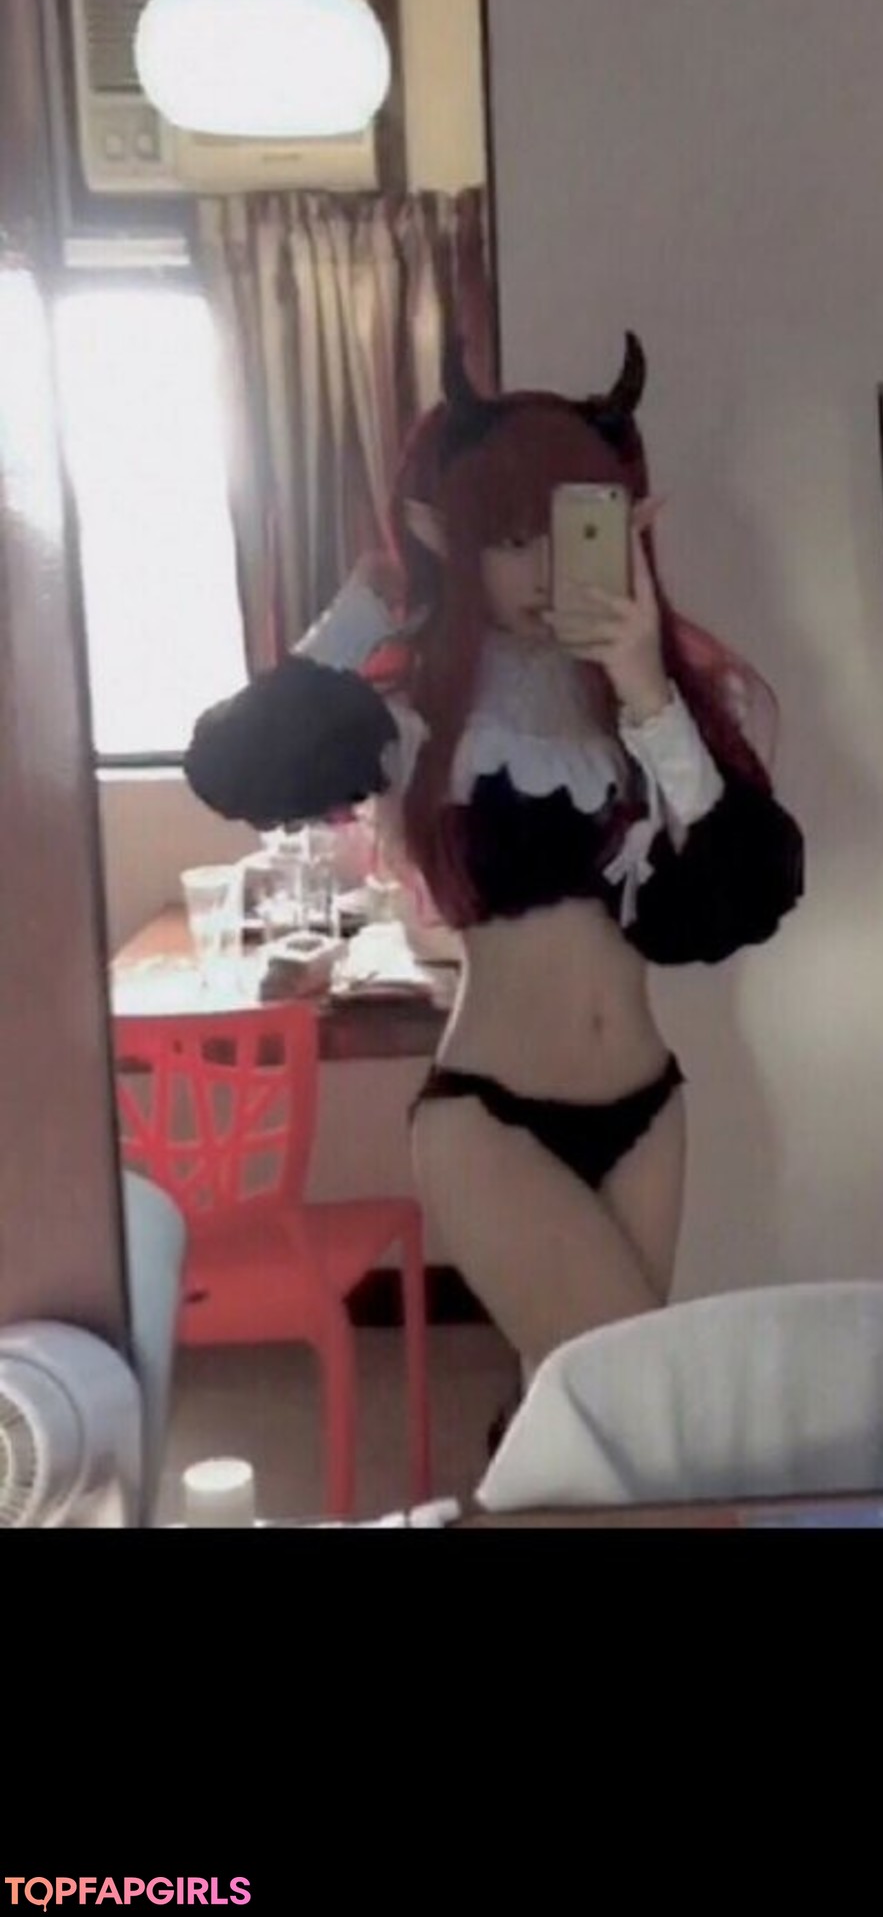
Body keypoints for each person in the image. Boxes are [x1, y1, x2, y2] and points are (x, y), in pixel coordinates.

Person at [184, 334, 805, 1451]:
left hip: (649, 1109)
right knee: (634, 1415)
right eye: (508, 537)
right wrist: (362, 613)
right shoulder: (419, 714)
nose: (538, 570)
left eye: (566, 531)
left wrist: (647, 688)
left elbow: (743, 895)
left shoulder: (647, 701)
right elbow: (234, 768)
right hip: (489, 1117)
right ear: (454, 538)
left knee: (575, 1432)